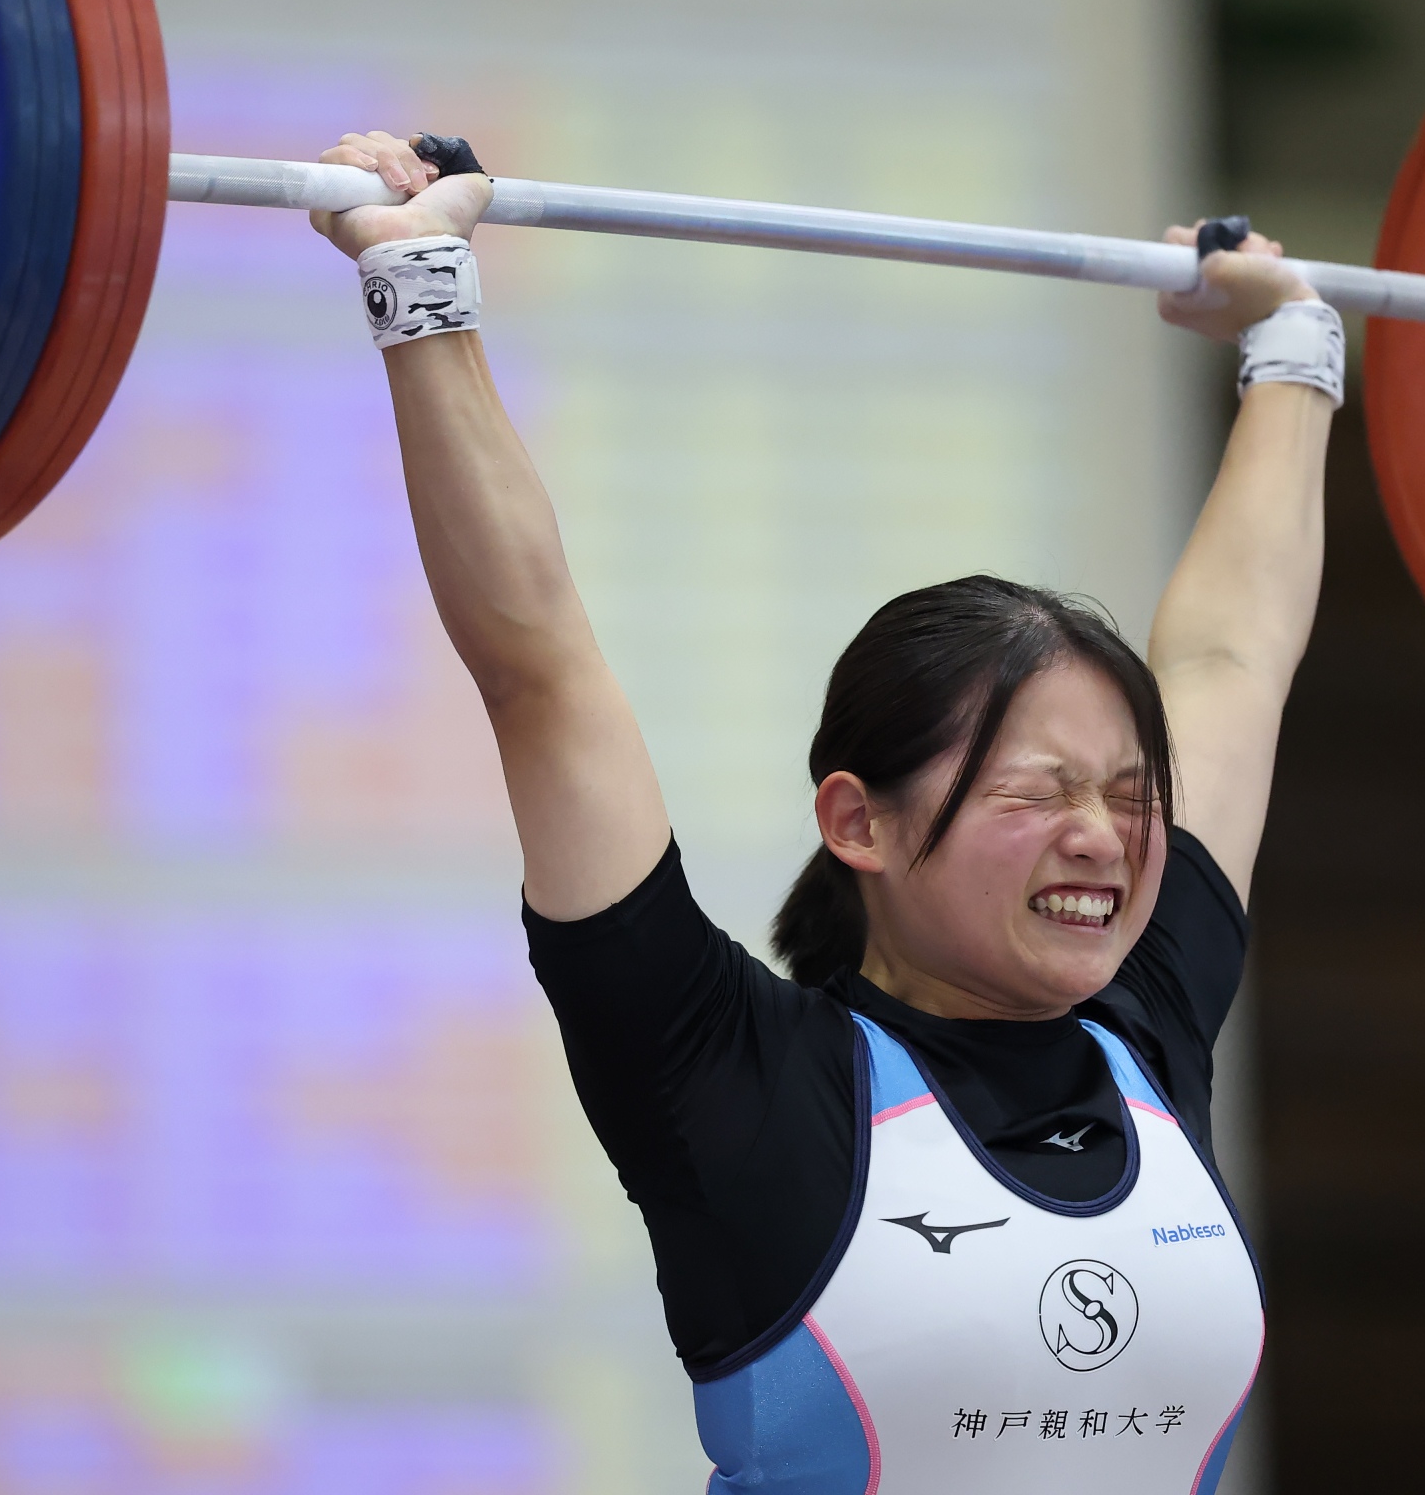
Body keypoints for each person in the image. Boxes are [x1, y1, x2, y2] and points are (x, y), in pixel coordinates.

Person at [313, 131, 1337, 1495]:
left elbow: (1230, 660)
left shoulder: (1147, 1024)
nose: (1103, 835)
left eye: (1130, 795)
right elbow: (538, 671)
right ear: (858, 823)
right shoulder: (730, 1078)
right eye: (1037, 792)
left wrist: (1293, 343)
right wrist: (421, 288)